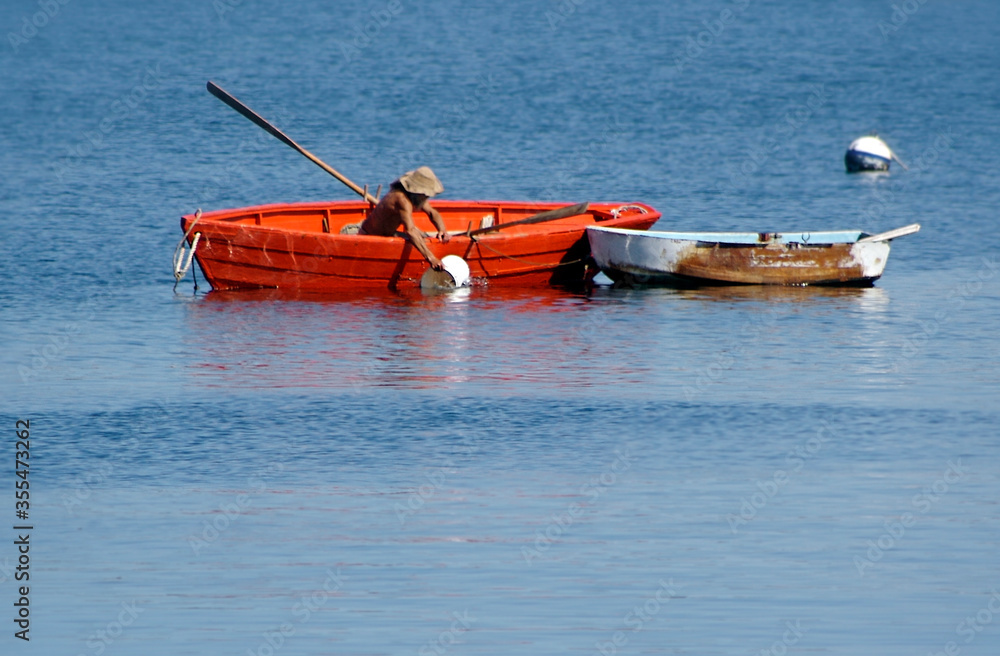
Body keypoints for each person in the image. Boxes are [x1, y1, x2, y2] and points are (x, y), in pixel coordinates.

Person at [359, 166, 450, 270]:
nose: (426, 198)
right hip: (370, 236)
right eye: (425, 195)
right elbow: (410, 231)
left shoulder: (416, 198)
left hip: (388, 234)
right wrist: (431, 258)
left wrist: (442, 230)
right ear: (417, 192)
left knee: (422, 236)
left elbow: (432, 212)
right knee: (416, 235)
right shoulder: (401, 199)